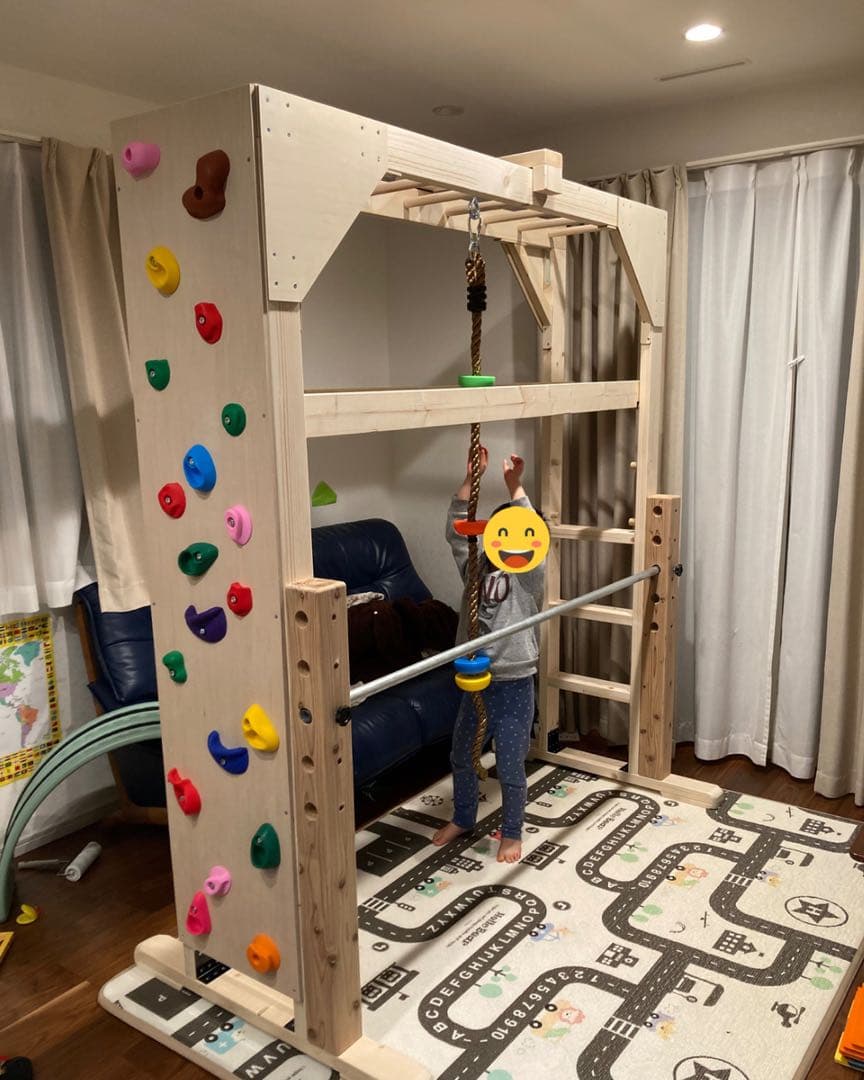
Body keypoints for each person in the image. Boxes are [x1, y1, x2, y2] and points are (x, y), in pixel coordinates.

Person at [433, 447, 545, 863]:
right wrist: (470, 479)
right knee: (461, 755)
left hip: (514, 682)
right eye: (502, 534)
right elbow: (455, 531)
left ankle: (511, 833)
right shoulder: (475, 570)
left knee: (510, 765)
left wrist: (515, 487)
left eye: (519, 536)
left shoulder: (528, 576)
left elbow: (529, 529)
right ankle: (464, 816)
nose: (510, 543)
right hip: (475, 681)